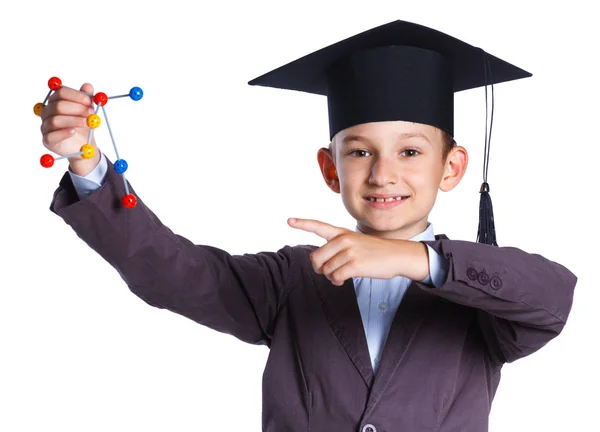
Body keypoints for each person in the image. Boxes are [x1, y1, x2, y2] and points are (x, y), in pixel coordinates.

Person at [40, 20, 576, 432]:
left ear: (452, 167)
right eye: (360, 151)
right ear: (330, 168)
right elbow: (170, 271)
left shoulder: (480, 296)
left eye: (411, 151)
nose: (383, 173)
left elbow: (552, 296)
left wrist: (416, 260)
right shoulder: (290, 281)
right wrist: (87, 164)